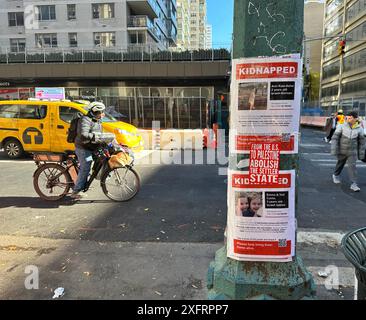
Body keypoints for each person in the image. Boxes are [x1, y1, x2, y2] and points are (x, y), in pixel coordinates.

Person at [70, 101, 107, 199]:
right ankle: (76, 191)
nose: (103, 114)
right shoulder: (85, 119)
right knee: (86, 165)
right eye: (101, 112)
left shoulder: (97, 120)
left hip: (90, 146)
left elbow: (99, 134)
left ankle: (83, 182)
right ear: (96, 111)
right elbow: (83, 135)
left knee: (99, 160)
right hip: (82, 147)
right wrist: (96, 136)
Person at [331, 111, 365, 192]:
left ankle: (354, 184)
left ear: (355, 119)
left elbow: (362, 143)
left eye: (350, 118)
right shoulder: (341, 126)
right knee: (340, 164)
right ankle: (335, 175)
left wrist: (361, 154)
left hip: (352, 152)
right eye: (347, 118)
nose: (348, 119)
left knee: (352, 167)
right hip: (342, 150)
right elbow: (335, 138)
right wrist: (334, 149)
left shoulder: (360, 129)